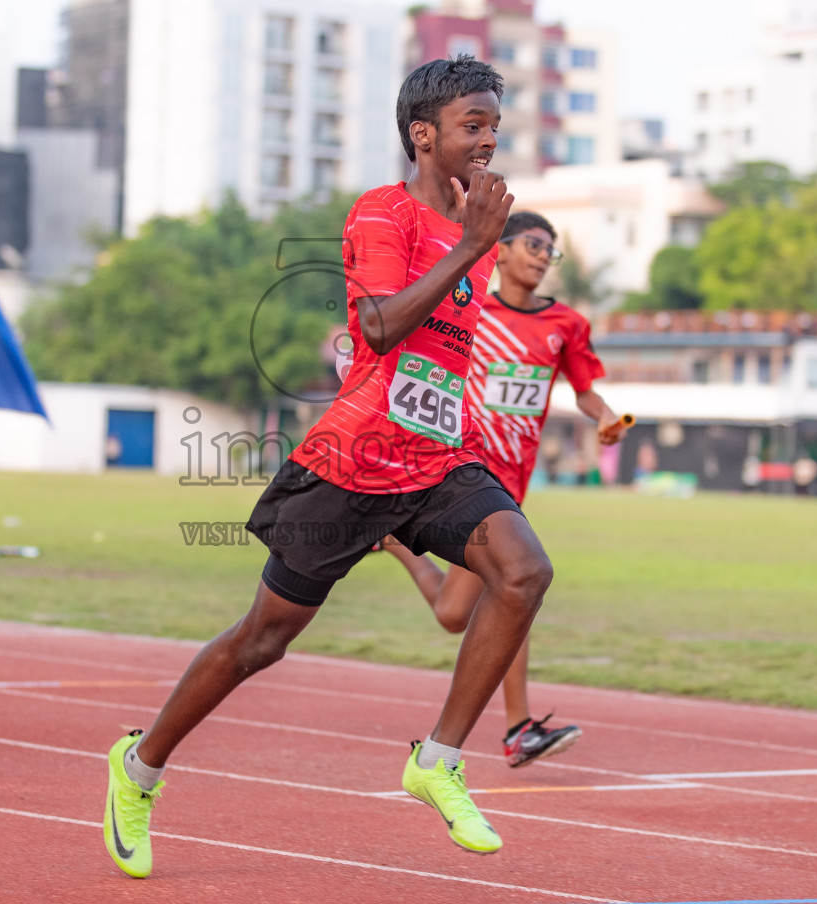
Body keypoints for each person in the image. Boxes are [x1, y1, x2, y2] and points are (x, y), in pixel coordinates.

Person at [104, 56, 553, 877]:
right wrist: (472, 245)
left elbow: (443, 353)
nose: (490, 139)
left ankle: (440, 761)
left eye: (495, 123)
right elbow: (380, 327)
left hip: (435, 462)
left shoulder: (477, 227)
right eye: (473, 124)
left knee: (523, 572)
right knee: (262, 640)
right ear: (423, 134)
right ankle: (138, 767)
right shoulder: (382, 214)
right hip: (353, 462)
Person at [380, 211, 627, 768]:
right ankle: (518, 727)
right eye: (534, 245)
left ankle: (396, 544)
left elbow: (587, 392)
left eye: (551, 251)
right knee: (513, 586)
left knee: (454, 612)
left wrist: (607, 416)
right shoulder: (470, 310)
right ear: (505, 249)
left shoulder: (565, 324)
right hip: (462, 471)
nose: (542, 257)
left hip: (512, 482)